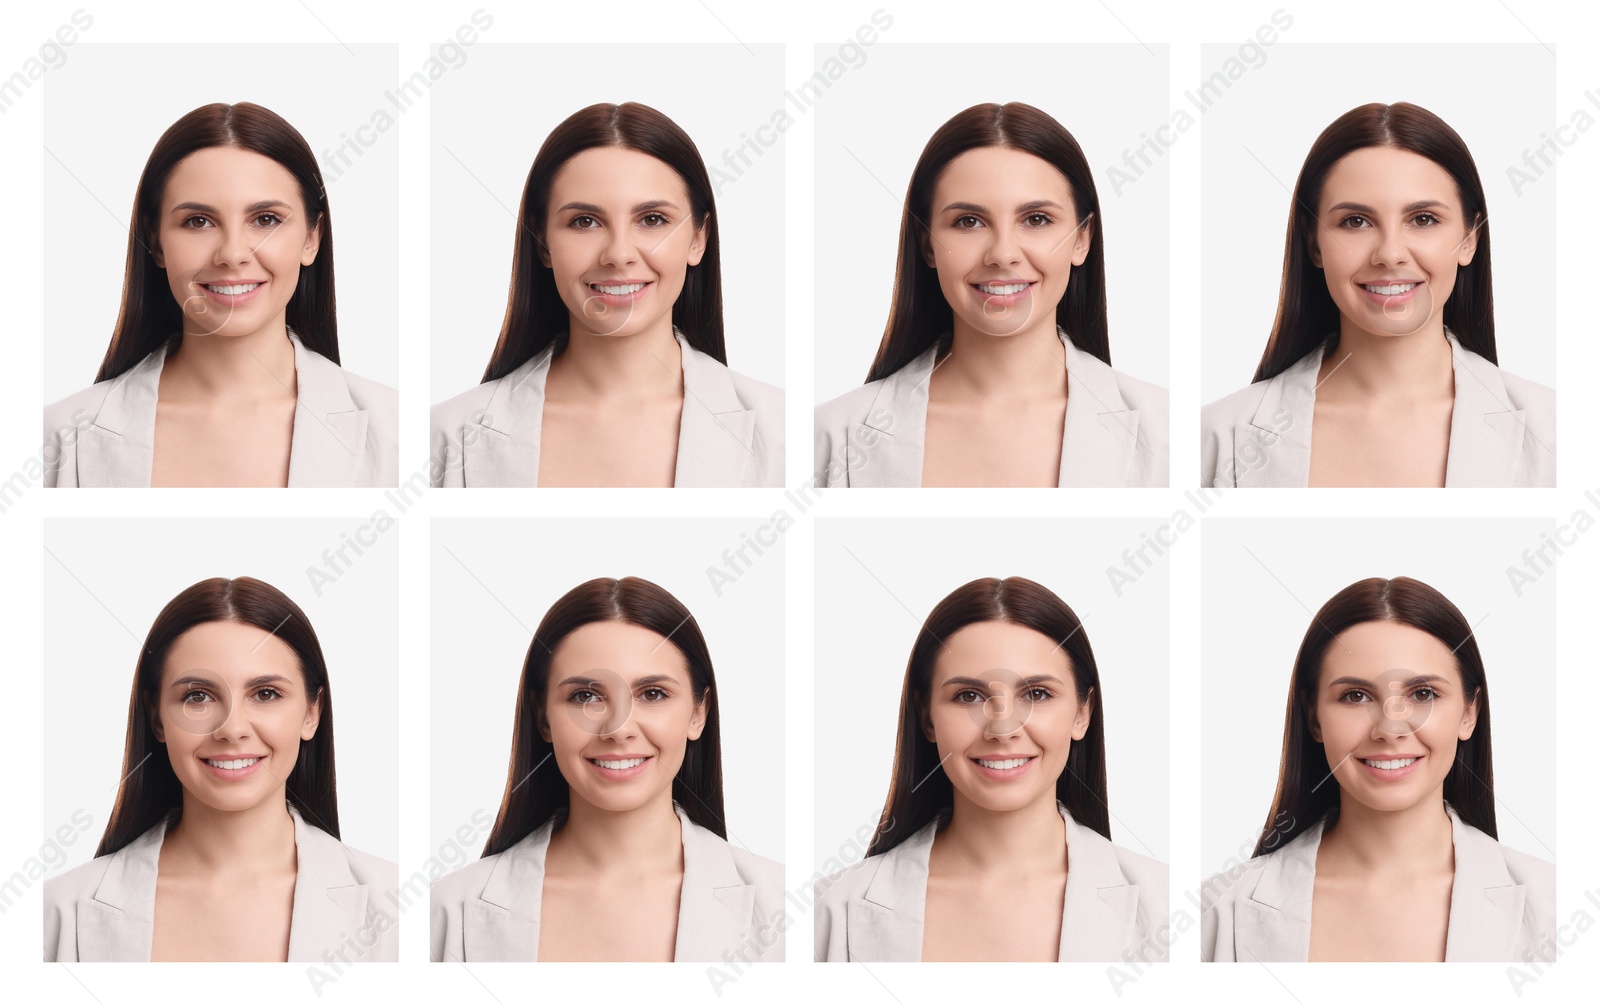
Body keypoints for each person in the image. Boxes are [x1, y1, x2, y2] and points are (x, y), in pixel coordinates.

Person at [44, 102, 397, 488]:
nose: (232, 254)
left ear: (311, 238)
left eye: (266, 220)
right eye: (198, 221)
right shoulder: (54, 439)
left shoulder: (400, 432)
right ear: (156, 243)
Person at [44, 577, 398, 962]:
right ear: (156, 717)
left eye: (266, 694)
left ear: (311, 713)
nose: (232, 729)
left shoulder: (397, 910)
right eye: (198, 696)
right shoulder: (54, 914)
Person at [814, 103, 1167, 488]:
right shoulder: (826, 438)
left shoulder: (1169, 434)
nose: (1002, 254)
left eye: (1036, 220)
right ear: (927, 245)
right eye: (969, 222)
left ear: (1081, 239)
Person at [431, 577, 784, 962]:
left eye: (652, 694)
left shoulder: (785, 906)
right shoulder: (445, 911)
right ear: (543, 717)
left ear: (698, 713)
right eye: (585, 696)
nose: (618, 730)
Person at [430, 103, 783, 487]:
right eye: (585, 221)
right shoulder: (441, 439)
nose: (618, 254)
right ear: (543, 243)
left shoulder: (786, 434)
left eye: (652, 220)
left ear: (698, 238)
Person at [1201, 576, 1554, 961]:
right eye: (1355, 696)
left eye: (1423, 694)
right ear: (1314, 717)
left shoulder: (1557, 908)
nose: (1390, 729)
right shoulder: (1215, 914)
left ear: (1469, 713)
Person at [1201, 102, 1554, 487]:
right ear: (1314, 243)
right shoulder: (1213, 438)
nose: (1390, 254)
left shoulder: (1559, 434)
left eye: (1423, 219)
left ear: (1469, 239)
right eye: (1355, 221)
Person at [814, 577, 1167, 961]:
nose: (1003, 728)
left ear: (1082, 713)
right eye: (969, 695)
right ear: (927, 717)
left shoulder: (1169, 905)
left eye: (1036, 694)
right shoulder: (828, 911)